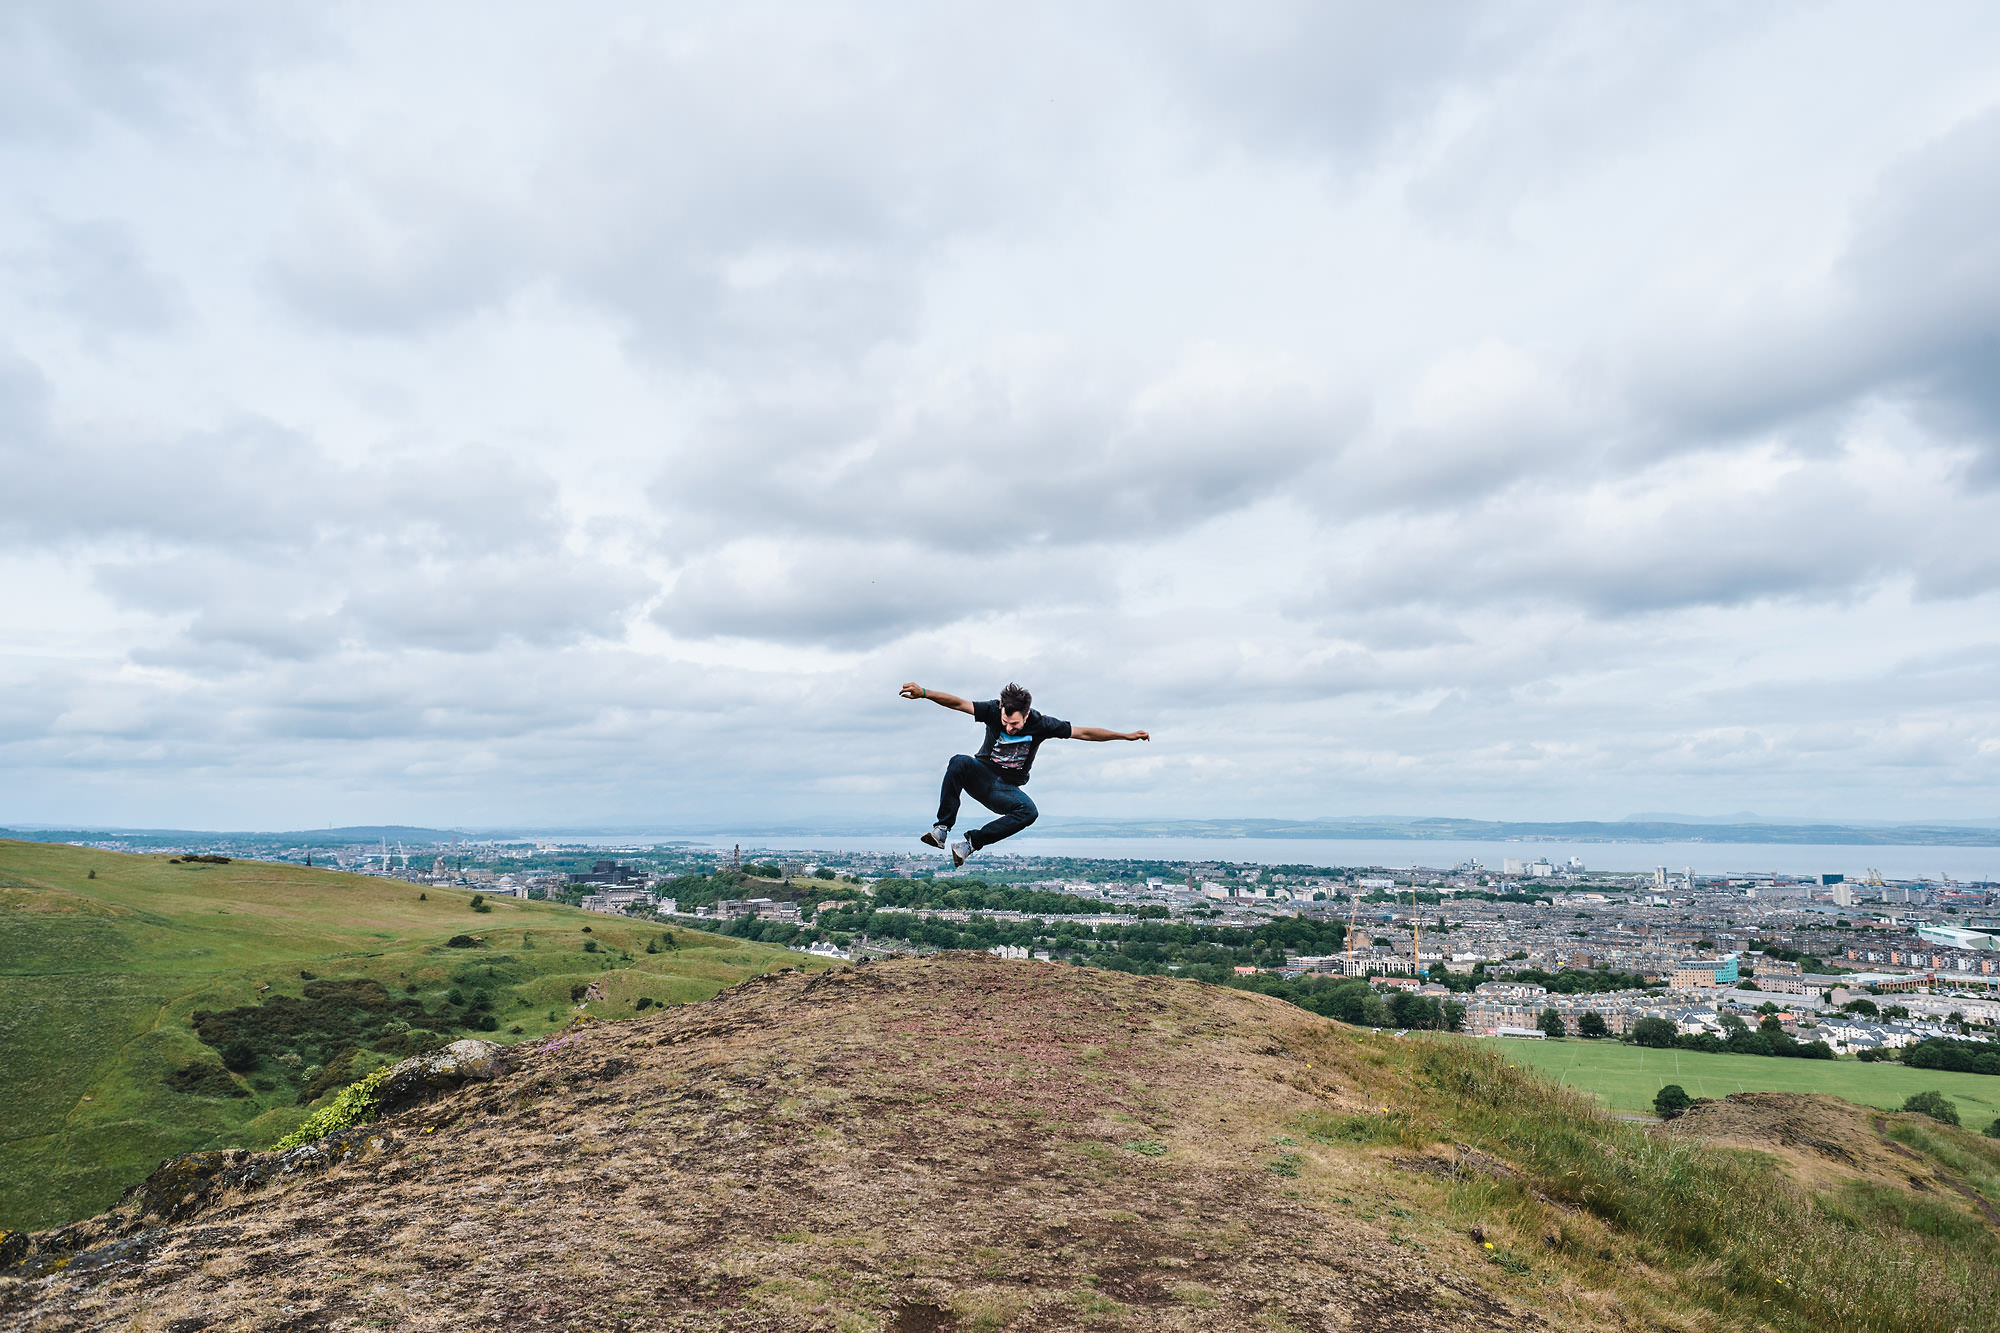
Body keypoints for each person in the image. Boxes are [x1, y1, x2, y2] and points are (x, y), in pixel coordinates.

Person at [900, 680, 1150, 866]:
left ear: (1027, 715)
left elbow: (1085, 733)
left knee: (1029, 811)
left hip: (1005, 790)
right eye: (1006, 722)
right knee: (959, 762)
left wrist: (1125, 736)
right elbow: (958, 703)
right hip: (981, 775)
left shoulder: (1042, 724)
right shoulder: (992, 710)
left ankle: (970, 844)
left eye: (1015, 724)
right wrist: (924, 693)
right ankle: (942, 828)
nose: (1009, 727)